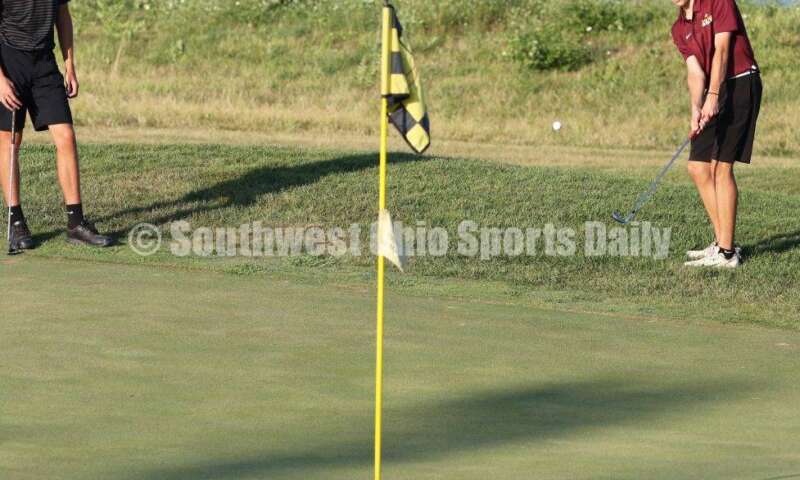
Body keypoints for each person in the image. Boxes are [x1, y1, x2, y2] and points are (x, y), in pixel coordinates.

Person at [0, 0, 112, 250]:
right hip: (8, 62)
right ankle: (16, 223)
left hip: (44, 64)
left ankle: (76, 224)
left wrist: (70, 64)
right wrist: (0, 80)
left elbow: (63, 15)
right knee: (10, 142)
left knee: (66, 137)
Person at [671, 0, 761, 268]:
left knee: (721, 168)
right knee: (698, 167)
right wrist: (696, 108)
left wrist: (713, 97)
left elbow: (722, 51)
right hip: (712, 89)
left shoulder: (719, 2)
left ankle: (727, 253)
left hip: (740, 83)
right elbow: (695, 72)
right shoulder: (679, 28)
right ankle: (723, 243)